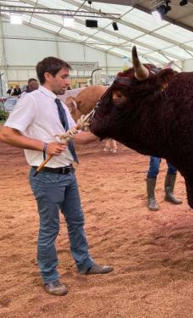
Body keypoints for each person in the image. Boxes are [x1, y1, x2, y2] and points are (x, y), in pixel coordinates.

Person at [0, 56, 113, 296]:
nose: (68, 82)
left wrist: (105, 131)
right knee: (49, 229)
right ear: (48, 76)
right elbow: (7, 134)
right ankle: (50, 277)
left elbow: (77, 137)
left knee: (76, 222)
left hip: (67, 172)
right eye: (63, 76)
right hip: (46, 176)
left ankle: (84, 264)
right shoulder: (31, 100)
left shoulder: (60, 105)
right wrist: (44, 146)